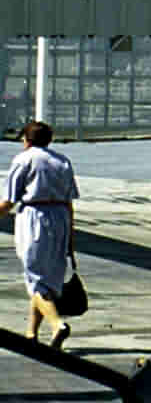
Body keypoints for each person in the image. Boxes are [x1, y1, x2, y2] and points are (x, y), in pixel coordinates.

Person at [0, 121, 80, 349]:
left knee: (35, 279)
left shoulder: (24, 160)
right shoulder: (62, 161)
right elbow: (70, 202)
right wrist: (70, 239)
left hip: (34, 218)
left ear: (26, 139)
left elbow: (9, 200)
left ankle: (57, 324)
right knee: (47, 280)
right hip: (61, 219)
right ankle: (31, 334)